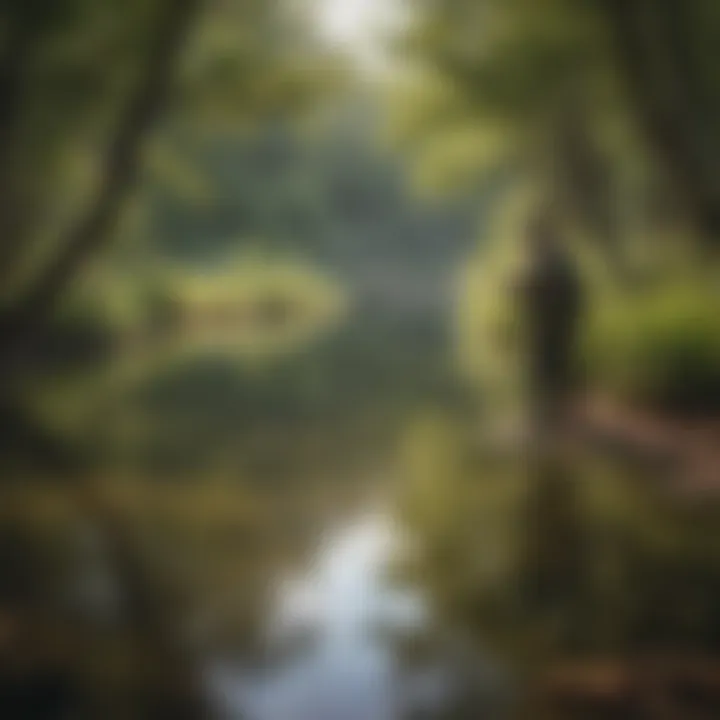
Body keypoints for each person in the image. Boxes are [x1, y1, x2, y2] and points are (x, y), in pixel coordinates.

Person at [516, 210, 583, 439]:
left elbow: (563, 292)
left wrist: (526, 290)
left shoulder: (553, 262)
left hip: (553, 326)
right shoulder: (549, 261)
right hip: (548, 326)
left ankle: (553, 418)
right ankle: (549, 416)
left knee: (550, 368)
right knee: (547, 369)